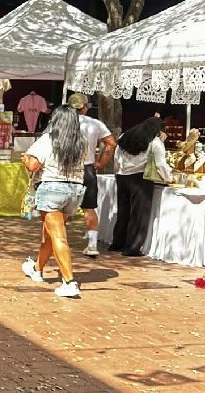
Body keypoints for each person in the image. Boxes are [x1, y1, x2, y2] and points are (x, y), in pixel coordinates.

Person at [20, 104, 87, 298]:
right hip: (74, 190)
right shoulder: (81, 142)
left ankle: (69, 282)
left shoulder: (48, 139)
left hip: (52, 189)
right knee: (49, 234)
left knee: (58, 236)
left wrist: (26, 159)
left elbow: (33, 165)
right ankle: (37, 269)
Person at [110, 117, 174, 257]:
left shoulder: (124, 136)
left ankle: (118, 243)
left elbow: (116, 158)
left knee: (123, 211)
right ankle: (132, 247)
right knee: (139, 215)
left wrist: (118, 172)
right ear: (158, 130)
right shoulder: (155, 142)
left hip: (122, 177)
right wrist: (169, 178)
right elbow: (160, 164)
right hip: (140, 179)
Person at [67, 93, 116, 257]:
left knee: (60, 207)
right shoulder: (95, 124)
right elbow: (111, 144)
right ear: (86, 107)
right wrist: (101, 163)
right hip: (87, 168)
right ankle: (93, 245)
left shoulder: (61, 122)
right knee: (89, 207)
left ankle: (58, 241)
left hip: (65, 169)